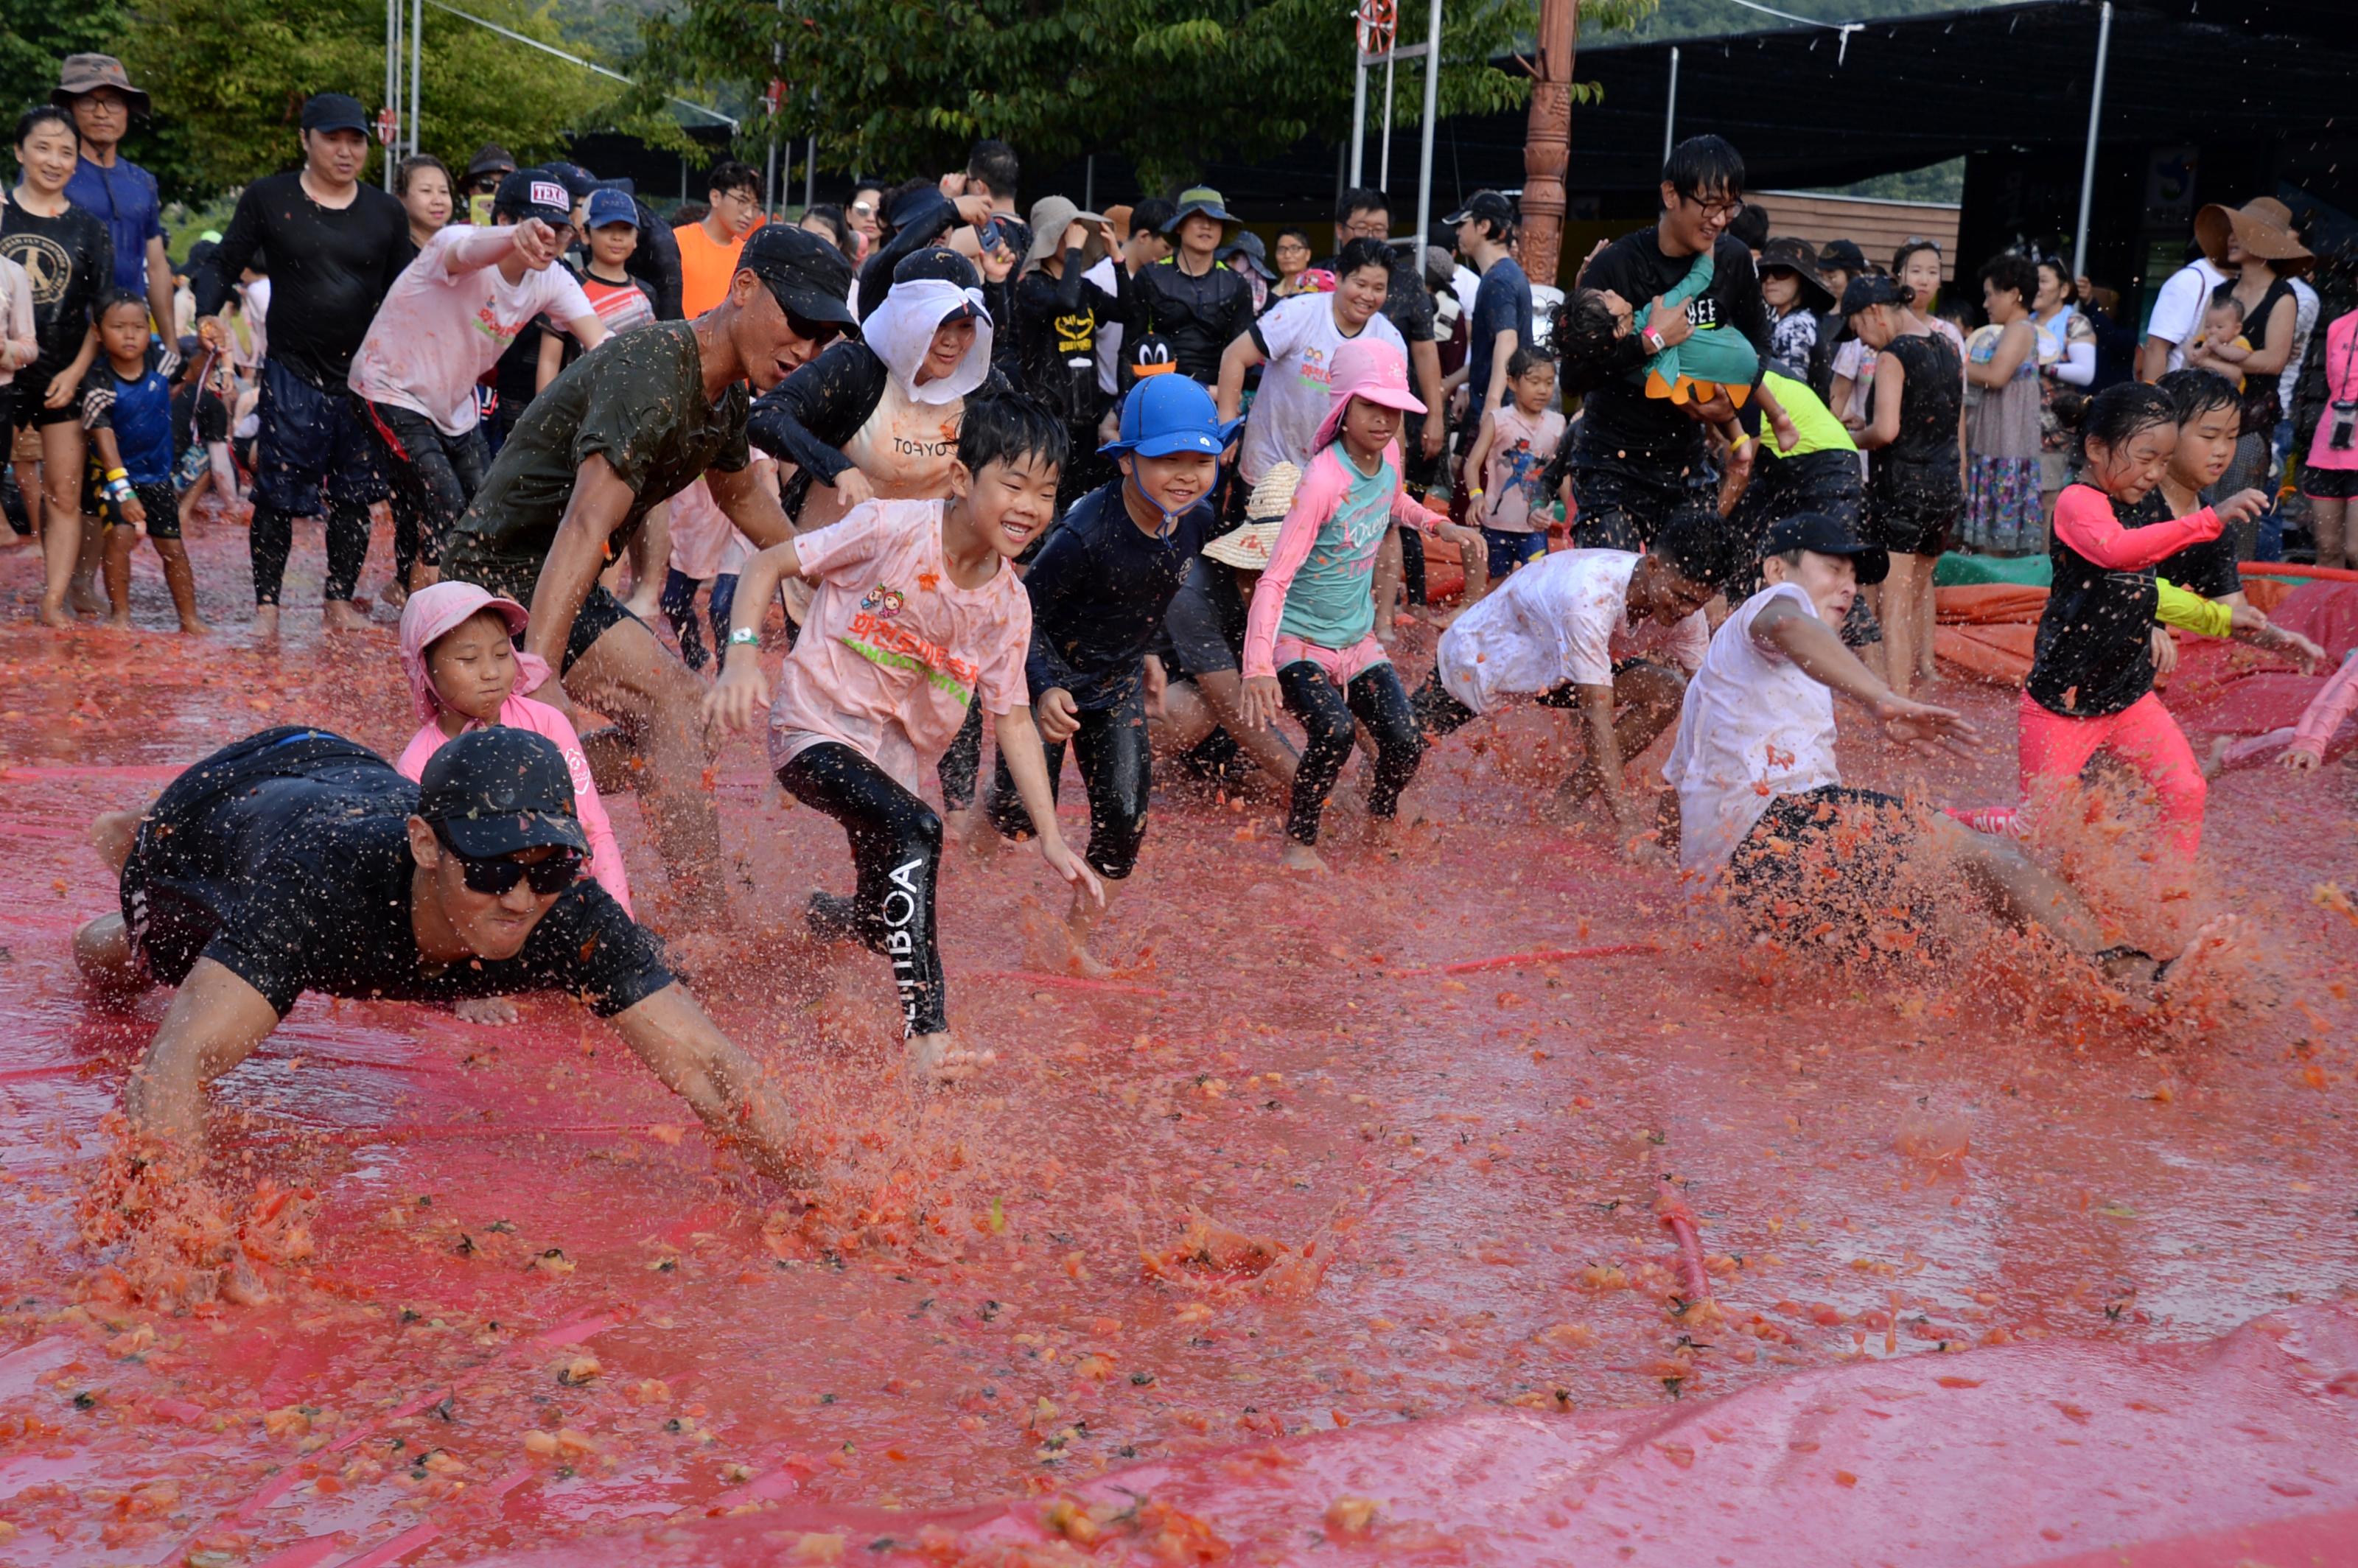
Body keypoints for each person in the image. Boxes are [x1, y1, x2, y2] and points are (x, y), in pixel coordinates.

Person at [77, 726, 802, 1196]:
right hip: (224, 812)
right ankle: (129, 845)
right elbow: (179, 1057)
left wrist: (818, 1188)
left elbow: (712, 1068)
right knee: (129, 964)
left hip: (349, 777)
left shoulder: (570, 916)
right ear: (428, 847)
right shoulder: (320, 887)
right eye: (491, 868)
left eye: (547, 869)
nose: (521, 899)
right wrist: (182, 1239)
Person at [440, 225, 856, 924]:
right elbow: (583, 527)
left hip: (547, 568)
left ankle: (509, 784)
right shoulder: (655, 374)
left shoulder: (721, 390)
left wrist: (838, 572)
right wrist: (537, 677)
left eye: (822, 337)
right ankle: (703, 917)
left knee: (677, 722)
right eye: (799, 324)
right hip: (494, 580)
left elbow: (744, 497)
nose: (806, 351)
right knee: (670, 710)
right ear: (744, 288)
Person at [707, 395, 1103, 1083]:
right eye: (1012, 484)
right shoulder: (891, 528)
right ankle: (928, 1036)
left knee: (879, 913)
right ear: (960, 481)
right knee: (920, 828)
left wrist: (1051, 834)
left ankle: (825, 919)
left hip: (892, 764)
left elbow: (1009, 716)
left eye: (1046, 492)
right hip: (813, 730)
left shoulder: (1010, 604)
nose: (1030, 506)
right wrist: (742, 653)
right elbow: (767, 564)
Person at [1662, 513, 2202, 997]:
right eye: (1833, 569)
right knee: (1991, 857)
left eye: (1855, 577)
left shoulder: (1723, 677)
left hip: (1749, 891)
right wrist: (1883, 699)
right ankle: (2132, 979)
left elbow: (1675, 798)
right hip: (1780, 833)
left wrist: (1698, 907)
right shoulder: (1770, 607)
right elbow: (1788, 624)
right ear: (1777, 569)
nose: (1849, 588)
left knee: (1945, 918)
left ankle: (2077, 973)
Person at [979, 375, 1236, 963]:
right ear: (1126, 462)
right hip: (1048, 680)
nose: (1186, 475)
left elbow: (1148, 588)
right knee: (1018, 820)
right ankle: (977, 828)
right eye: (1166, 459)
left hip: (1115, 684)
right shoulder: (1083, 535)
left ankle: (1072, 942)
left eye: (1200, 459)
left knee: (1124, 824)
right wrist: (1042, 687)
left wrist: (1146, 647)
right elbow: (1023, 614)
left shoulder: (1194, 519)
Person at [2005, 385, 2274, 877]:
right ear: (2095, 448)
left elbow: (2147, 588)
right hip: (2065, 700)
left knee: (2186, 790)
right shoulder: (2077, 502)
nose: (2155, 473)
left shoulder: (2137, 499)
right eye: (2147, 458)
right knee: (2036, 829)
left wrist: (2221, 618)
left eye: (2164, 460)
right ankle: (1944, 825)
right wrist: (2209, 520)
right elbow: (2118, 553)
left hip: (2128, 696)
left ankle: (2166, 908)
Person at [195, 93, 412, 636]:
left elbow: (410, 290)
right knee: (275, 493)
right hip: (293, 369)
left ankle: (338, 602)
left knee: (354, 497)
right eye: (332, 139)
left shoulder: (385, 211)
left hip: (364, 375)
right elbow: (225, 261)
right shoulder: (270, 198)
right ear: (306, 140)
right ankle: (267, 609)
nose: (345, 151)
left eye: (355, 140)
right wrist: (206, 313)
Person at [1238, 339, 1446, 869]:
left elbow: (1392, 499)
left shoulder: (1390, 456)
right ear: (1343, 409)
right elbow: (1274, 579)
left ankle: (1378, 816)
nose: (1384, 420)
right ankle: (1300, 843)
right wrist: (1258, 665)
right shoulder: (1323, 480)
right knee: (1332, 733)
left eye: (1394, 408)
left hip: (1356, 643)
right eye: (1370, 406)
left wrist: (1439, 524)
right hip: (1299, 642)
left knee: (1404, 742)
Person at [351, 169, 606, 601]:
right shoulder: (451, 244)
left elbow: (601, 342)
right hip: (388, 388)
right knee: (447, 510)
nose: (547, 241)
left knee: (487, 517)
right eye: (536, 227)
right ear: (501, 218)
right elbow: (467, 248)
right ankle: (435, 625)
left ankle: (424, 601)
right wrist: (513, 237)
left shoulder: (552, 277)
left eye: (559, 231)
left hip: (455, 409)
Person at [1411, 505, 1726, 850]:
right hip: (1486, 656)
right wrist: (1631, 827)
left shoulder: (1687, 615)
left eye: (1696, 603)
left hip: (1560, 668)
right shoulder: (1591, 597)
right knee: (1403, 741)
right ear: (1652, 566)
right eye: (1680, 597)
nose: (1684, 611)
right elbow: (1596, 715)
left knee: (1667, 691)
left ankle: (1565, 800)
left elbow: (1708, 698)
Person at [1561, 139, 1768, 549]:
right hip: (1611, 462)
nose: (1720, 220)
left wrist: (1731, 402)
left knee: (1681, 598)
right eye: (1709, 205)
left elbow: (1759, 344)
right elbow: (1573, 376)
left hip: (1686, 464)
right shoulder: (1617, 266)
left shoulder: (1734, 260)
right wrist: (1649, 342)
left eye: (1730, 207)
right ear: (1671, 194)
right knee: (1611, 594)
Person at [395, 581, 631, 917]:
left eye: (502, 654)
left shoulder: (548, 725)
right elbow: (430, 878)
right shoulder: (417, 766)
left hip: (560, 895)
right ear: (424, 670)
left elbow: (594, 829)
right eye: (469, 659)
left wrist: (619, 917)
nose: (491, 672)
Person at [749, 247, 998, 530]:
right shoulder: (855, 368)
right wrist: (835, 467)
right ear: (908, 319)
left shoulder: (980, 386)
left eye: (966, 326)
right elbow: (764, 417)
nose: (953, 342)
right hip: (823, 559)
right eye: (940, 324)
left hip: (915, 567)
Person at [6, 105, 113, 627]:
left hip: (64, 376)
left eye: (66, 151)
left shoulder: (89, 229)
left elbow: (104, 315)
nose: (54, 159)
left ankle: (52, 601)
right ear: (19, 151)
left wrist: (75, 373)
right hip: (3, 373)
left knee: (65, 492)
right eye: (43, 147)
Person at [1841, 274, 1960, 699]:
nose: (1865, 343)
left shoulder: (1895, 354)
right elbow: (1941, 424)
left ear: (1875, 312)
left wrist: (1847, 438)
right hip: (1945, 488)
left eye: (1859, 330)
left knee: (1891, 605)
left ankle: (1897, 709)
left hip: (1904, 490)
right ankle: (1912, 693)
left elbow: (1887, 431)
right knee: (1910, 601)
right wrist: (1867, 425)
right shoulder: (1948, 345)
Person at [1220, 237, 1406, 489]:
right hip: (1269, 463)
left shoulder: (1390, 341)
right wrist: (1227, 427)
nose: (1367, 296)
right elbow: (1235, 356)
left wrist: (1393, 489)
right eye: (1360, 284)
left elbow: (1395, 420)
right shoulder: (1297, 313)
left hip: (1337, 479)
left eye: (1378, 288)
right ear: (1339, 278)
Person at [80, 289, 203, 633]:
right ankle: (120, 614)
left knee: (172, 547)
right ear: (98, 333)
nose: (131, 334)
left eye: (138, 326)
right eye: (119, 327)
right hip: (114, 475)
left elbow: (188, 373)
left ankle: (189, 618)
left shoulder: (159, 361)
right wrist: (124, 491)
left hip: (157, 474)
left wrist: (207, 352)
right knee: (119, 537)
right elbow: (105, 446)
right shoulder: (99, 382)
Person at [1326, 189, 1446, 471]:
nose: (1371, 236)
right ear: (1340, 230)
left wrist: (1436, 415)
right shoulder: (1324, 277)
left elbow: (1426, 350)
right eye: (1362, 228)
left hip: (1388, 409)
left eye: (1379, 229)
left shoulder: (1406, 280)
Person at [55, 55, 173, 337]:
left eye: (114, 102)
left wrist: (171, 343)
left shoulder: (142, 182)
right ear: (69, 108)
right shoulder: (53, 174)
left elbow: (156, 268)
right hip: (62, 338)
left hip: (127, 338)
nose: (101, 113)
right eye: (88, 101)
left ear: (127, 111)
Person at [1011, 197, 1119, 505]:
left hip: (1085, 411)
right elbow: (1065, 302)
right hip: (1048, 413)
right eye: (1067, 231)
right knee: (1049, 494)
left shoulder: (1083, 286)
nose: (1076, 237)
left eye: (1077, 231)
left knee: (1080, 499)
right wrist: (1073, 250)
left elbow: (1129, 311)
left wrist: (1117, 259)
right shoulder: (1031, 286)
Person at [1113, 189, 1256, 387]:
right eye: (1198, 217)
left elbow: (1242, 358)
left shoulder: (1237, 285)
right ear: (1179, 226)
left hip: (1214, 399)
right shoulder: (1149, 277)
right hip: (1158, 393)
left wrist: (1226, 403)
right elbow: (1130, 348)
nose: (1207, 226)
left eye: (1215, 220)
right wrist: (1128, 405)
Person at [1459, 346, 1567, 597]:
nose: (1543, 390)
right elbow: (1472, 463)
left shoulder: (1557, 424)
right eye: (1534, 382)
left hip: (1535, 526)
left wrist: (1571, 509)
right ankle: (1497, 630)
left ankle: (1527, 633)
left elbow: (1562, 472)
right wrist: (1476, 495)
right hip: (1496, 524)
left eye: (1549, 382)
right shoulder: (1498, 420)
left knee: (1536, 585)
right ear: (1512, 383)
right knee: (1498, 583)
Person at [1962, 252, 2046, 556]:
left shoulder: (2019, 330)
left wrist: (1954, 363)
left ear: (2013, 294)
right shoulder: (2018, 329)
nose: (1986, 304)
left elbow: (1996, 376)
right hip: (2001, 439)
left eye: (1990, 295)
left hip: (2006, 441)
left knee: (1995, 549)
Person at [1443, 191, 1534, 460]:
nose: (1458, 232)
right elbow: (1490, 352)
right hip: (1496, 408)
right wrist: (1452, 383)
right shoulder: (1507, 274)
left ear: (1483, 226)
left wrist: (1492, 405)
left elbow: (1507, 343)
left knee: (1476, 496)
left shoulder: (1498, 281)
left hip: (1497, 412)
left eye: (1463, 224)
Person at [2152, 369, 2253, 603]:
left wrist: (2283, 640)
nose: (2222, 450)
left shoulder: (2215, 523)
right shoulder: (2130, 503)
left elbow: (2233, 613)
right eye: (2209, 436)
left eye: (2231, 437)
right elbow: (2115, 590)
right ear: (2166, 433)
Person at [2208, 643, 2358, 777]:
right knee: (2331, 739)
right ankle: (2230, 752)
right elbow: (2336, 700)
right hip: (2346, 692)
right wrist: (2310, 743)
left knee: (2342, 737)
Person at [2031, 257, 2098, 524]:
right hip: (2021, 428)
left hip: (2053, 432)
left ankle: (2047, 564)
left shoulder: (2074, 323)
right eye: (2033, 281)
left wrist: (2046, 367)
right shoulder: (2025, 321)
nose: (2037, 287)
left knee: (2050, 500)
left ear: (2063, 289)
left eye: (2044, 281)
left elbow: (2085, 372)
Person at [2295, 300, 2358, 571]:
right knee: (2327, 548)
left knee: (2355, 550)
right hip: (2329, 447)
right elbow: (2336, 386)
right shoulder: (2340, 326)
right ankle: (2329, 613)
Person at [674, 160, 765, 317]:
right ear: (715, 197)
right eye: (742, 201)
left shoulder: (748, 257)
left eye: (755, 207)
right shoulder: (677, 241)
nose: (749, 214)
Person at [570, 187, 661, 339]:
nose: (617, 237)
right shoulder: (570, 288)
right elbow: (549, 360)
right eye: (605, 228)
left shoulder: (647, 292)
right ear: (584, 234)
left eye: (626, 229)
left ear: (636, 238)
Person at [2137, 241, 2229, 382]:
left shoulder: (2239, 281)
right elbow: (2156, 348)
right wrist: (2153, 401)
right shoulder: (2189, 280)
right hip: (2180, 395)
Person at [1759, 236, 1835, 391]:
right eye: (1765, 272)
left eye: (1781, 271)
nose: (1770, 280)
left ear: (1802, 279)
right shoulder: (1803, 319)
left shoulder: (1795, 325)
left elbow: (1789, 391)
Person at [396, 155, 455, 251]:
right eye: (426, 191)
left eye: (444, 191)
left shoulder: (460, 247)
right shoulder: (392, 251)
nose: (438, 201)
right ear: (401, 198)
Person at [1272, 227, 1315, 298]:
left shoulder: (1320, 290)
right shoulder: (1272, 294)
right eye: (1281, 249)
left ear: (1308, 254)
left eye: (1294, 248)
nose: (1287, 255)